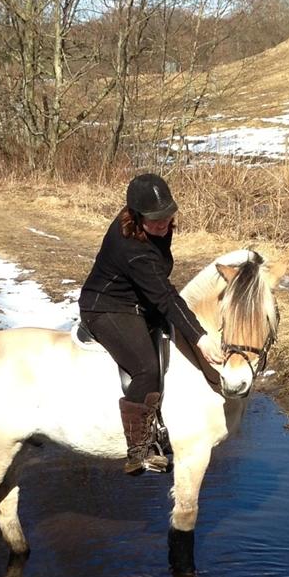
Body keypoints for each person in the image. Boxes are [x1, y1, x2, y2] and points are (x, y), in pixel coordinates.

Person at [79, 173, 225, 474]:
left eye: (167, 216)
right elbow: (165, 297)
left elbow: (159, 286)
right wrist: (200, 337)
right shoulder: (131, 247)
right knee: (146, 367)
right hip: (107, 308)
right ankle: (138, 450)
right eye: (155, 219)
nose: (163, 223)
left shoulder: (154, 228)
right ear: (136, 215)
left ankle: (165, 422)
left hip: (138, 300)